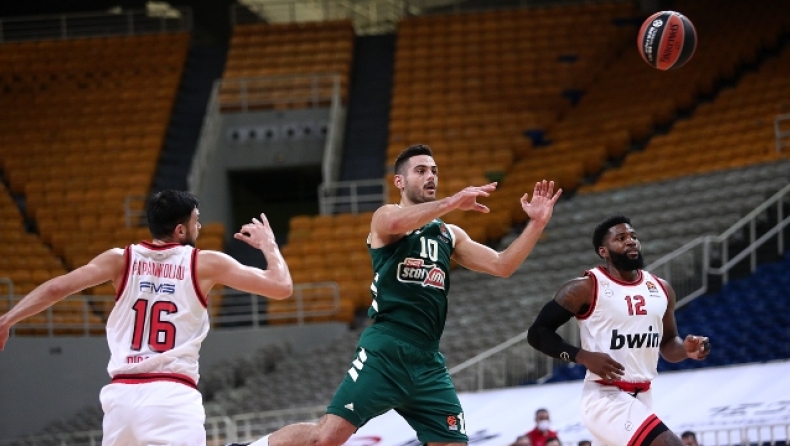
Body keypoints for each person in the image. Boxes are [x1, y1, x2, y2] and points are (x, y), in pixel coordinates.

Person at [235, 144, 562, 446]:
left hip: (428, 361)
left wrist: (536, 224)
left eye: (434, 171)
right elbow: (395, 224)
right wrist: (451, 203)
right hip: (386, 351)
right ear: (400, 181)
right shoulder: (385, 216)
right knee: (326, 438)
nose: (431, 176)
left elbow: (503, 265)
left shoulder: (449, 234)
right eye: (421, 170)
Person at [0, 190, 293, 446]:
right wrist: (269, 245)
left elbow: (56, 289)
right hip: (171, 396)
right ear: (180, 230)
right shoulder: (204, 263)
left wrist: (8, 319)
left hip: (121, 400)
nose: (200, 226)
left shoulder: (119, 259)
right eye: (196, 220)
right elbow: (281, 287)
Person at [527, 215, 711, 446]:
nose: (631, 241)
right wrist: (582, 356)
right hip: (605, 396)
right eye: (621, 238)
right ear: (603, 251)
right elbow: (538, 333)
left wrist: (685, 349)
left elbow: (668, 344)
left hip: (643, 395)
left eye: (633, 236)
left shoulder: (661, 288)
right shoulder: (585, 288)